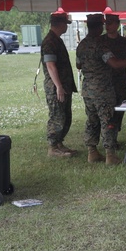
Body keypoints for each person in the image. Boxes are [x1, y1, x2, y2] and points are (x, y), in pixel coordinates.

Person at [77, 13, 126, 165]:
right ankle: (110, 155)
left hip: (88, 89)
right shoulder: (101, 45)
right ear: (99, 26)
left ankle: (92, 152)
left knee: (92, 120)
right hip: (102, 90)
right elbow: (115, 64)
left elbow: (78, 65)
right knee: (108, 120)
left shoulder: (82, 45)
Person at [41, 9, 78, 158]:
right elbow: (50, 65)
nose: (67, 26)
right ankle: (52, 147)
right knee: (57, 116)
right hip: (56, 87)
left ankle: (59, 144)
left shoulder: (56, 39)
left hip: (62, 85)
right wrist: (59, 86)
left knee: (65, 115)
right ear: (60, 24)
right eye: (66, 23)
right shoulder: (49, 42)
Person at [101, 13, 126, 146]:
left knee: (119, 111)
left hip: (120, 81)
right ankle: (109, 139)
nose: (107, 26)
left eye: (110, 23)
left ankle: (114, 137)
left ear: (117, 25)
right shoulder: (101, 41)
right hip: (104, 83)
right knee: (107, 112)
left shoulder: (125, 42)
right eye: (106, 23)